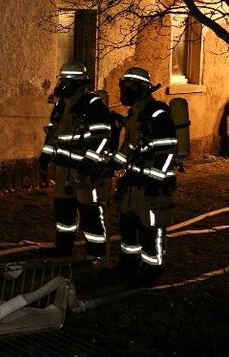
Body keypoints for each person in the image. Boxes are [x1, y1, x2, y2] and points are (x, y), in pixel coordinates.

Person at [38, 62, 115, 263]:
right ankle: (63, 247)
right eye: (61, 80)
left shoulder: (94, 106)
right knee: (63, 211)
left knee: (90, 213)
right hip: (64, 168)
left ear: (80, 84)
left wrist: (87, 166)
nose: (62, 85)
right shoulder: (61, 105)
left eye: (67, 81)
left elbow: (102, 138)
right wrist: (45, 158)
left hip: (86, 173)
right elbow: (53, 134)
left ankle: (95, 254)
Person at [111, 67, 178, 285]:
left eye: (129, 87)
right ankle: (128, 264)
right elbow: (129, 146)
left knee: (151, 230)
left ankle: (152, 269)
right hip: (134, 182)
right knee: (128, 225)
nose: (124, 91)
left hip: (152, 186)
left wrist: (155, 180)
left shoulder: (157, 113)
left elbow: (168, 149)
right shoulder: (135, 114)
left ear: (141, 89)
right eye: (123, 86)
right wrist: (113, 165)